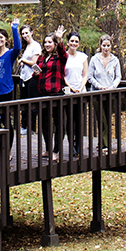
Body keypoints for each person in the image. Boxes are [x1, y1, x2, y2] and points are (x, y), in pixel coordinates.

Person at [34, 25, 68, 160]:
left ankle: (56, 150)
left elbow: (63, 52)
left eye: (50, 42)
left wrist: (59, 39)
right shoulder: (41, 58)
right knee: (44, 123)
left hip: (56, 93)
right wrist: (36, 74)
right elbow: (37, 74)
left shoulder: (60, 57)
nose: (47, 44)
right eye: (45, 42)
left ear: (54, 44)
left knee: (59, 123)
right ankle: (48, 149)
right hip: (42, 94)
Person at [88, 34, 122, 151]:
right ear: (100, 46)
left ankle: (104, 143)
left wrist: (112, 87)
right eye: (104, 45)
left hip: (110, 93)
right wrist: (100, 86)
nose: (106, 48)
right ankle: (105, 145)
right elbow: (90, 77)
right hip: (97, 93)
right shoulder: (94, 59)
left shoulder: (115, 60)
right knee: (101, 118)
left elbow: (118, 77)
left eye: (108, 45)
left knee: (108, 117)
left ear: (111, 46)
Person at [63, 31, 90, 156]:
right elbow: (62, 75)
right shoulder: (64, 56)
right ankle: (71, 144)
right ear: (68, 42)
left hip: (81, 92)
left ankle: (78, 145)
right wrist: (71, 88)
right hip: (68, 92)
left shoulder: (83, 57)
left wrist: (81, 87)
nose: (74, 43)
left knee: (79, 119)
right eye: (72, 41)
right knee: (70, 119)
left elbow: (85, 74)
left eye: (76, 42)